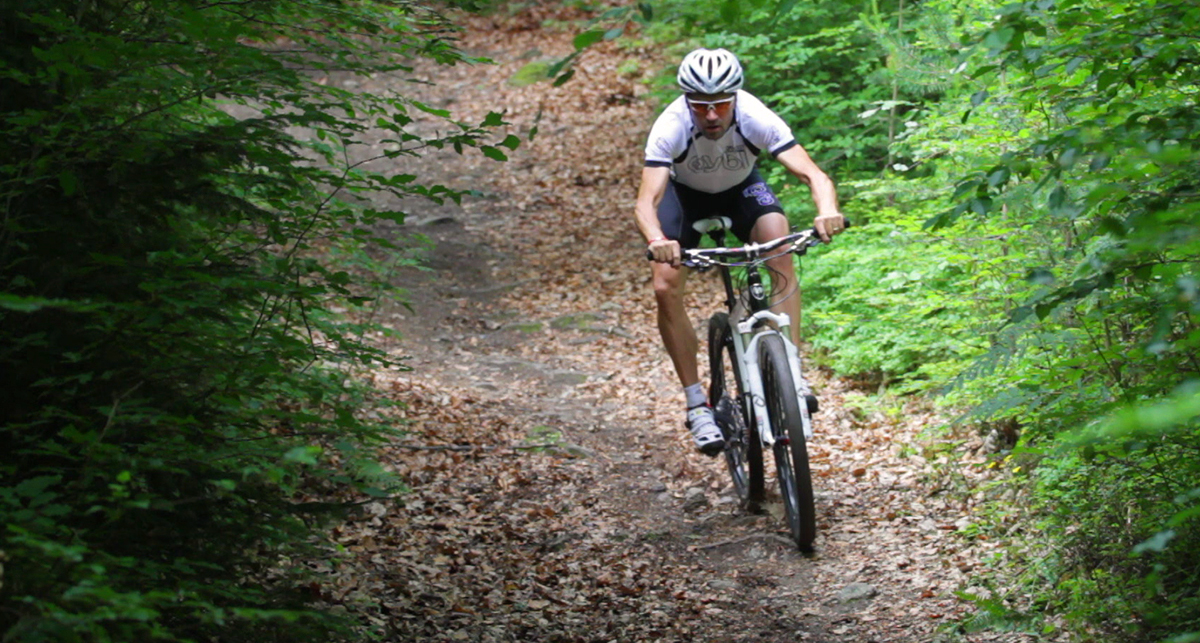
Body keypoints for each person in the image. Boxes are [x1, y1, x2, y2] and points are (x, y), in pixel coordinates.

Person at [635, 48, 847, 456]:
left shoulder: (755, 115)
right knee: (664, 286)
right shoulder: (670, 126)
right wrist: (656, 239)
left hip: (740, 190)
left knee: (779, 241)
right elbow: (647, 200)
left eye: (720, 105)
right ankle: (697, 402)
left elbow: (812, 173)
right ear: (687, 102)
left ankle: (794, 374)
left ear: (735, 97)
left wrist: (827, 210)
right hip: (686, 197)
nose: (711, 116)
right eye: (700, 106)